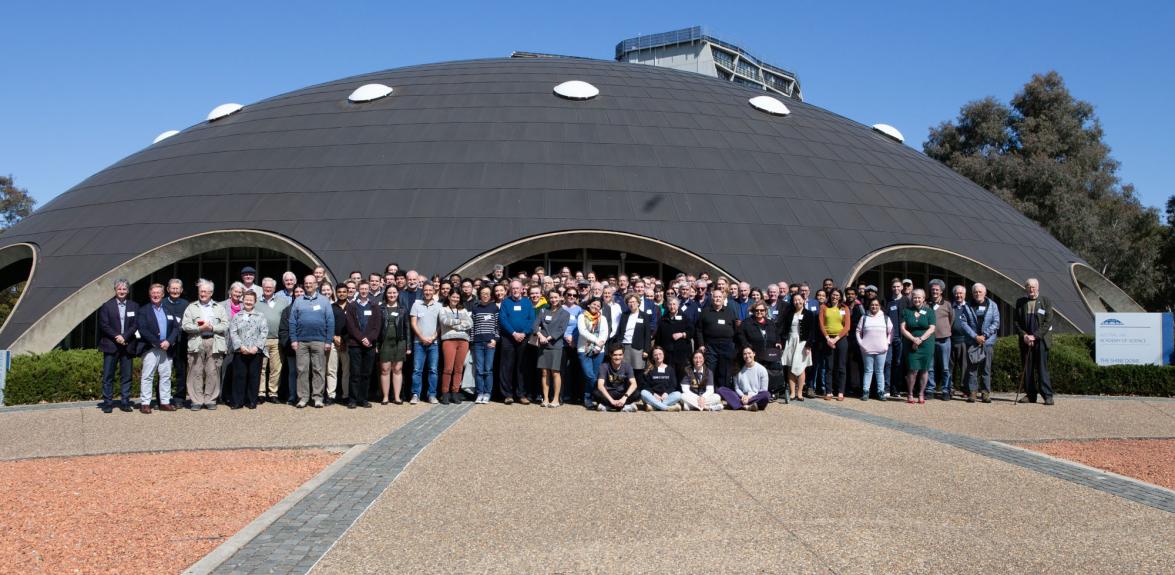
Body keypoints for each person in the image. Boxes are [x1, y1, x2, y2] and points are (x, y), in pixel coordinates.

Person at [182, 279, 229, 410]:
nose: (202, 294)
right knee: (195, 371)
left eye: (205, 291)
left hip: (214, 341)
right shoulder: (191, 307)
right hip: (196, 341)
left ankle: (210, 399)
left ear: (211, 293)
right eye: (201, 291)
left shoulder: (219, 308)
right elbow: (185, 325)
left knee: (212, 371)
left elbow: (225, 325)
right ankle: (196, 400)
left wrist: (212, 327)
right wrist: (200, 329)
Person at [289, 275, 334, 408]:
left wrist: (328, 340)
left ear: (316, 285)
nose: (308, 285)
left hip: (319, 341)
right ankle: (303, 398)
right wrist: (294, 339)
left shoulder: (324, 301)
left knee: (318, 370)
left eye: (311, 283)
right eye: (306, 283)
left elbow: (330, 321)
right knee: (302, 370)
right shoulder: (298, 301)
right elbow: (292, 321)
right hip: (301, 341)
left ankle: (318, 398)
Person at [97, 279, 139, 413]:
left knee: (126, 376)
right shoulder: (106, 306)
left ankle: (125, 401)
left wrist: (124, 336)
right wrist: (117, 336)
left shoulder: (134, 306)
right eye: (119, 289)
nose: (122, 291)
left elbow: (135, 325)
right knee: (108, 376)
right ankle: (108, 403)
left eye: (124, 289)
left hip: (127, 345)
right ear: (115, 290)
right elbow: (104, 325)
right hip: (111, 345)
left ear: (128, 290)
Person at [136, 283, 178, 413]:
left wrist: (169, 341)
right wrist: (158, 342)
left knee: (165, 375)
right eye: (153, 293)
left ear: (162, 294)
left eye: (158, 293)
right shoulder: (143, 310)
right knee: (148, 376)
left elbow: (176, 328)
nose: (156, 295)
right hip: (151, 348)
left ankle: (165, 402)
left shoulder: (168, 310)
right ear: (150, 294)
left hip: (166, 348)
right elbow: (143, 329)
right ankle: (145, 403)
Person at [1014, 278, 1055, 405]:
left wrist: (1035, 336)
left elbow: (1048, 322)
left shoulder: (1045, 301)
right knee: (1027, 369)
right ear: (1025, 288)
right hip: (1026, 341)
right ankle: (1030, 395)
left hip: (1041, 340)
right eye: (1028, 287)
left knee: (1042, 369)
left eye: (1033, 287)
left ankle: (1047, 395)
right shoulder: (1020, 302)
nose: (1031, 289)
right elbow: (1016, 322)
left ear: (1038, 287)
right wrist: (1025, 336)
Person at [960, 283, 1000, 403]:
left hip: (987, 342)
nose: (977, 294)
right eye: (975, 292)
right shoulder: (967, 306)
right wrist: (975, 336)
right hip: (973, 341)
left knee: (986, 368)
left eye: (980, 292)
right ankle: (972, 392)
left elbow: (996, 322)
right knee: (972, 368)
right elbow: (963, 323)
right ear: (972, 293)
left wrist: (985, 336)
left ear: (985, 293)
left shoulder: (993, 306)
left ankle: (985, 393)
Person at [343, 281, 381, 408]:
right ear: (358, 290)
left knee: (366, 373)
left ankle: (363, 398)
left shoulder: (374, 306)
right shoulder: (352, 306)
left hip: (370, 345)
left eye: (366, 289)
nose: (364, 291)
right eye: (362, 289)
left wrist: (369, 339)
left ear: (369, 290)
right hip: (355, 344)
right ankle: (353, 399)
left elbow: (377, 326)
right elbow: (351, 326)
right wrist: (361, 339)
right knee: (355, 373)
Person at [498, 280, 535, 404]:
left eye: (517, 288)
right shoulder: (505, 302)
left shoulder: (527, 302)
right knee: (507, 367)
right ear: (510, 289)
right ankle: (507, 394)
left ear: (522, 289)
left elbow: (531, 319)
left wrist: (524, 333)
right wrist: (513, 333)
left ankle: (521, 394)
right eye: (513, 288)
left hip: (524, 338)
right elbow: (502, 319)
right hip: (508, 338)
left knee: (522, 367)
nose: (515, 290)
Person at [228, 291, 267, 409]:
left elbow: (264, 332)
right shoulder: (237, 316)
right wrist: (240, 346)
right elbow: (233, 332)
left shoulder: (261, 316)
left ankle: (251, 401)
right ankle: (237, 401)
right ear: (243, 300)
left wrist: (257, 347)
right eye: (246, 299)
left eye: (251, 300)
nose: (248, 302)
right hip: (241, 351)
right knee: (239, 376)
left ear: (255, 302)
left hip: (255, 351)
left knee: (254, 376)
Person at [533, 289, 570, 407]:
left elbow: (561, 330)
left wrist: (547, 338)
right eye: (551, 297)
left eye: (556, 297)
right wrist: (539, 335)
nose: (554, 300)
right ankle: (545, 399)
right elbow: (535, 325)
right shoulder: (544, 310)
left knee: (555, 372)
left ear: (560, 298)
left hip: (556, 346)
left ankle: (555, 399)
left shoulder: (565, 313)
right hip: (543, 346)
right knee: (544, 372)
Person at [697, 285, 737, 389]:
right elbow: (699, 330)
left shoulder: (730, 311)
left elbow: (735, 328)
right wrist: (701, 344)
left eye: (720, 297)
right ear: (712, 298)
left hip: (727, 345)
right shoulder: (705, 311)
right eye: (715, 297)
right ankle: (711, 391)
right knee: (710, 369)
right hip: (710, 345)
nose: (717, 299)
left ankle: (724, 392)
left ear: (723, 299)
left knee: (724, 370)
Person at [409, 282, 443, 404]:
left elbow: (440, 324)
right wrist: (422, 337)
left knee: (433, 369)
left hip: (434, 343)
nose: (428, 292)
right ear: (422, 291)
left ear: (434, 291)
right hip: (419, 342)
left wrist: (433, 337)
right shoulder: (416, 305)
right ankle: (415, 394)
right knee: (417, 370)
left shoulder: (439, 306)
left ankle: (432, 395)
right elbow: (413, 323)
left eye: (430, 290)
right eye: (426, 290)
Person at [438, 289, 472, 404]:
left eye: (457, 297)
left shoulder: (463, 310)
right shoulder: (443, 309)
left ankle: (455, 392)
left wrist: (456, 326)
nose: (455, 299)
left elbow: (470, 323)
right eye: (453, 297)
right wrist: (460, 322)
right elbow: (444, 321)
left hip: (463, 341)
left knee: (459, 369)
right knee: (448, 368)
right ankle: (445, 393)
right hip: (449, 340)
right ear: (449, 297)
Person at [778, 293, 814, 401]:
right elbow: (784, 328)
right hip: (790, 341)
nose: (797, 302)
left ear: (803, 300)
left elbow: (812, 331)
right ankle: (793, 392)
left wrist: (808, 345)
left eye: (799, 300)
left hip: (802, 343)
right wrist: (782, 342)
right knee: (790, 367)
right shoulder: (789, 314)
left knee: (801, 367)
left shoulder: (809, 314)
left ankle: (800, 393)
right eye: (795, 300)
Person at [256, 278, 288, 403]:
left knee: (276, 368)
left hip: (277, 340)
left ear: (274, 289)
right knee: (261, 368)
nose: (268, 289)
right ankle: (261, 392)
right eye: (265, 287)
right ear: (262, 288)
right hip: (261, 340)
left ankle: (273, 392)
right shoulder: (256, 301)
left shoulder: (283, 301)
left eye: (270, 287)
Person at [901, 289, 934, 404]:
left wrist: (920, 339)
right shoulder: (906, 311)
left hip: (926, 344)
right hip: (910, 343)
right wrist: (913, 339)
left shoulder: (929, 311)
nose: (917, 299)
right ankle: (910, 394)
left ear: (924, 298)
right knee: (912, 370)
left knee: (924, 370)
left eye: (919, 297)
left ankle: (921, 393)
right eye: (915, 297)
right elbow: (902, 328)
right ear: (912, 298)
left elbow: (932, 328)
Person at [576, 297, 609, 410]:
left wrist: (598, 346)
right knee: (589, 376)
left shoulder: (602, 318)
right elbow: (582, 331)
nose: (596, 307)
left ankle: (589, 398)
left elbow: (604, 333)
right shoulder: (582, 316)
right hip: (583, 350)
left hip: (599, 351)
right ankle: (594, 396)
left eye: (598, 306)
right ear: (589, 305)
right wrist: (596, 341)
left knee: (595, 375)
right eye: (594, 304)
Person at [856, 298, 892, 401]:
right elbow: (858, 331)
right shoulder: (864, 318)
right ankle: (865, 392)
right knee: (868, 371)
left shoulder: (885, 318)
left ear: (880, 306)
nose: (874, 307)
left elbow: (891, 332)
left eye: (876, 305)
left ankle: (881, 392)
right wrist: (861, 343)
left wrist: (887, 343)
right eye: (872, 305)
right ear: (869, 306)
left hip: (882, 349)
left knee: (880, 371)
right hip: (867, 349)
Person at [610, 293, 654, 378]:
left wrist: (646, 350)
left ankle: (637, 389)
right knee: (625, 370)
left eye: (634, 301)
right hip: (624, 346)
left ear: (638, 303)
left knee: (638, 370)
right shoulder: (624, 315)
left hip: (638, 347)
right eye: (629, 302)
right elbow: (620, 331)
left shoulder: (644, 316)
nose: (632, 304)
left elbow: (647, 334)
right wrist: (618, 345)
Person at [818, 288, 851, 401]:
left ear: (840, 297)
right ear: (830, 295)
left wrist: (836, 339)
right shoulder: (824, 307)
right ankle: (829, 391)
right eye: (833, 295)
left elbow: (847, 326)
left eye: (837, 295)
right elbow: (821, 324)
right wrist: (828, 338)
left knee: (841, 366)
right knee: (829, 366)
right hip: (827, 339)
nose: (835, 297)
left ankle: (841, 392)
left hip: (840, 339)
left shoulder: (844, 308)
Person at [378, 285, 408, 404]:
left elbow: (407, 328)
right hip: (385, 342)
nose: (392, 295)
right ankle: (385, 396)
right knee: (385, 370)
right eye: (389, 293)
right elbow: (377, 328)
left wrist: (408, 346)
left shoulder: (402, 309)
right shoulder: (381, 308)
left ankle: (397, 397)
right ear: (386, 294)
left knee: (397, 369)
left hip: (399, 342)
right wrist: (376, 345)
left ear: (398, 294)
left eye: (394, 293)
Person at [926, 279, 955, 400]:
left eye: (937, 290)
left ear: (941, 291)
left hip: (944, 340)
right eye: (933, 289)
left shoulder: (947, 304)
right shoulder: (926, 304)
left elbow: (951, 319)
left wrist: (945, 330)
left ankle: (945, 390)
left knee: (945, 367)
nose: (935, 292)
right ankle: (930, 390)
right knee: (930, 367)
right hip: (930, 340)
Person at [162, 279, 189, 408]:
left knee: (181, 371)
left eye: (177, 289)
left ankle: (179, 398)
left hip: (181, 342)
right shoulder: (161, 303)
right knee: (163, 372)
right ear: (168, 289)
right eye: (172, 288)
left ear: (181, 290)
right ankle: (162, 398)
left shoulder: (186, 304)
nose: (175, 291)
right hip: (165, 343)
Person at [469, 286, 499, 404]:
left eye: (487, 293)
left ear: (490, 295)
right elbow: (472, 326)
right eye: (482, 293)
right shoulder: (475, 308)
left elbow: (497, 325)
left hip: (490, 342)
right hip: (478, 343)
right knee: (479, 370)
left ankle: (487, 393)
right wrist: (472, 341)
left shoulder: (494, 308)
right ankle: (480, 393)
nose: (485, 295)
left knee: (488, 369)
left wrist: (495, 339)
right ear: (479, 295)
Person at [655, 297, 694, 380]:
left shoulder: (685, 318)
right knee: (669, 375)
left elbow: (692, 332)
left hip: (681, 353)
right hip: (667, 353)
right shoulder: (663, 319)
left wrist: (682, 334)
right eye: (670, 304)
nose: (672, 306)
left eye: (674, 304)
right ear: (667, 306)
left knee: (681, 375)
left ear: (678, 305)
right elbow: (658, 337)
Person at [884, 278, 910, 399]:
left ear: (901, 288)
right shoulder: (887, 301)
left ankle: (896, 389)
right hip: (889, 338)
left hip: (901, 337)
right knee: (888, 362)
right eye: (894, 287)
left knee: (898, 363)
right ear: (891, 288)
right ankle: (886, 388)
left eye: (898, 286)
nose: (896, 289)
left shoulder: (906, 301)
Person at [595, 345, 639, 412]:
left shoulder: (627, 366)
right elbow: (600, 385)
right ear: (610, 355)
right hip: (609, 393)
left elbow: (634, 384)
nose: (618, 357)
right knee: (596, 393)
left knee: (637, 393)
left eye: (620, 355)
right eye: (615, 355)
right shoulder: (604, 366)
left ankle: (608, 406)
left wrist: (623, 399)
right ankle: (623, 407)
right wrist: (611, 400)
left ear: (623, 355)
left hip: (622, 393)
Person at [737, 302, 782, 367]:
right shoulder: (746, 323)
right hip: (754, 356)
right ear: (753, 311)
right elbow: (740, 336)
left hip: (769, 356)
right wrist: (747, 346)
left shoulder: (771, 323)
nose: (759, 312)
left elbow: (777, 334)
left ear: (765, 311)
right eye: (756, 310)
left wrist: (778, 342)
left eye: (762, 310)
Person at [327, 284, 350, 405]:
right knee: (331, 370)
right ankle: (331, 396)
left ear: (348, 293)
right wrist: (334, 337)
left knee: (346, 370)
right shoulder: (331, 307)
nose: (342, 293)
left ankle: (346, 395)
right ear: (336, 293)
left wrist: (344, 340)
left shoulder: (352, 307)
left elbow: (355, 326)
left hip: (347, 343)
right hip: (333, 341)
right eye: (339, 292)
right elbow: (327, 323)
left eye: (344, 291)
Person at [949, 285, 972, 400]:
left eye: (961, 293)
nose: (959, 295)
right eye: (957, 293)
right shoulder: (950, 307)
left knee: (964, 367)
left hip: (965, 341)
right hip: (952, 340)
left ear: (965, 295)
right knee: (950, 366)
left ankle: (965, 389)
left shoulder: (969, 307)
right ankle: (950, 388)